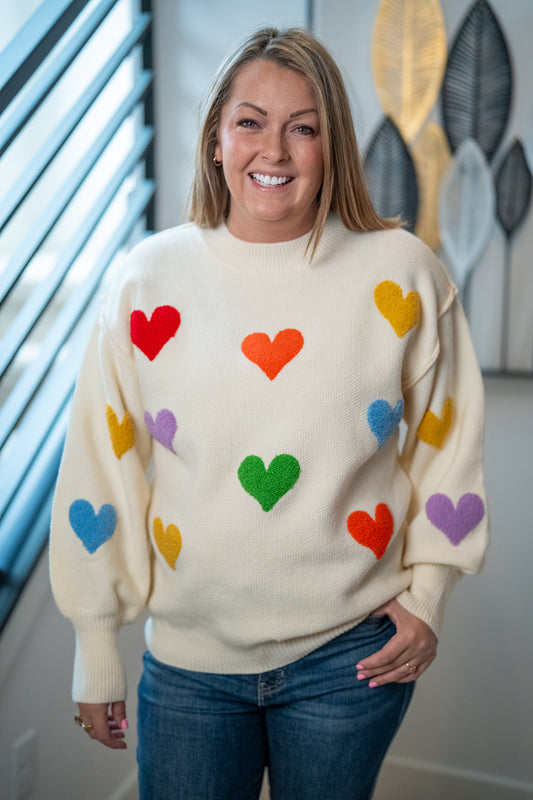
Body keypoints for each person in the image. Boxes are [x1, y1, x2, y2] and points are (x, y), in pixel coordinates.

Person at [50, 26, 489, 800]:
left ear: (332, 145)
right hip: (188, 668)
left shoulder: (403, 275)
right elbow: (101, 465)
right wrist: (95, 641)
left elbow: (445, 450)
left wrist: (426, 598)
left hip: (348, 663)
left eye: (303, 127)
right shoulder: (146, 280)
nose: (274, 152)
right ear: (216, 139)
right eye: (249, 121)